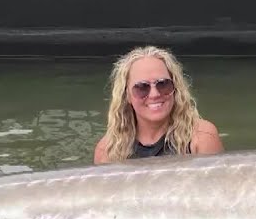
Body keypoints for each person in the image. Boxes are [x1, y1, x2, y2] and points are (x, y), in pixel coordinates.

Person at [94, 46, 224, 163]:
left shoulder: (202, 137)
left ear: (175, 88)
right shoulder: (106, 151)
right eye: (142, 87)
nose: (154, 94)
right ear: (126, 95)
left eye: (163, 84)